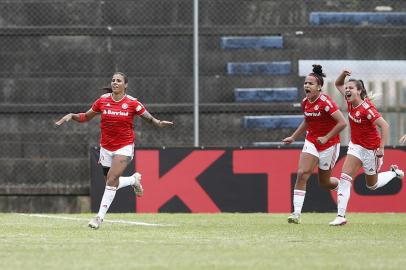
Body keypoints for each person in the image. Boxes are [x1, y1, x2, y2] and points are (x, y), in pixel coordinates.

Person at [55, 72, 173, 229]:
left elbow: (148, 118)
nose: (115, 83)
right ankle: (133, 180)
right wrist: (72, 115)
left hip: (124, 146)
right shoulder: (103, 101)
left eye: (119, 81)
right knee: (112, 183)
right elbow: (86, 117)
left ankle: (98, 218)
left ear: (126, 85)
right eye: (113, 80)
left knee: (111, 179)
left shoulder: (132, 103)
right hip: (106, 147)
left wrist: (158, 123)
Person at [329, 69, 404, 226]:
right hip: (356, 147)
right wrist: (343, 75)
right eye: (347, 88)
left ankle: (393, 173)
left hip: (372, 151)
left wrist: (381, 148)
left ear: (359, 91)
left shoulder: (367, 109)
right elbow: (337, 83)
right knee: (344, 178)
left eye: (351, 88)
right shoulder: (350, 101)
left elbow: (385, 126)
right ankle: (341, 216)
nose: (347, 90)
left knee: (372, 185)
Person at [282, 64, 347, 224]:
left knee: (325, 183)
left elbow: (342, 122)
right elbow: (307, 120)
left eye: (310, 83)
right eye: (305, 83)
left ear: (319, 87)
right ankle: (296, 214)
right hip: (311, 141)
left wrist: (326, 137)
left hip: (329, 144)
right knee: (302, 173)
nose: (306, 86)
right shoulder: (305, 102)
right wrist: (294, 136)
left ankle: (341, 185)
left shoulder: (326, 102)